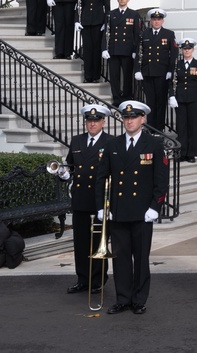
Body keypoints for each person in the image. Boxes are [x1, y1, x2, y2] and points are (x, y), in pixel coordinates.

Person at [96, 100, 168, 315]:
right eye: (126, 118)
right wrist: (102, 206)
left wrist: (156, 206)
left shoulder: (154, 144)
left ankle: (139, 299)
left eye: (134, 117)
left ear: (142, 119)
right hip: (118, 211)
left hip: (142, 212)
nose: (129, 121)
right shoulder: (113, 145)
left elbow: (161, 180)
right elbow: (102, 178)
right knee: (121, 258)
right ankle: (123, 298)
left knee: (141, 258)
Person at [58, 104, 114, 296]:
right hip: (81, 199)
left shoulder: (111, 142)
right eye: (89, 121)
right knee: (80, 242)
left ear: (103, 122)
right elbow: (70, 166)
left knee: (99, 241)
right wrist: (64, 174)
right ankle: (82, 279)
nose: (92, 124)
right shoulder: (77, 141)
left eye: (96, 120)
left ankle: (98, 280)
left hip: (98, 201)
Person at [134, 8, 177, 133]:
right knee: (150, 101)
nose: (156, 22)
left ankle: (160, 128)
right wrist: (137, 70)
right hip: (148, 72)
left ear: (162, 21)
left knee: (160, 102)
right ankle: (151, 127)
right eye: (154, 19)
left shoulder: (169, 34)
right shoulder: (144, 34)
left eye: (159, 19)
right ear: (151, 21)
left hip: (162, 73)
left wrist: (170, 71)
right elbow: (139, 53)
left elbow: (173, 54)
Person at [169, 39, 197, 162]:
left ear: (193, 50)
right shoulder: (176, 64)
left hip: (194, 100)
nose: (187, 51)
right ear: (181, 50)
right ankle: (182, 153)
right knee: (181, 127)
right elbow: (171, 82)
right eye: (184, 49)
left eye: (189, 48)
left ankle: (191, 153)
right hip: (179, 99)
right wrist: (171, 96)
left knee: (193, 127)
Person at [102, 0, 142, 105]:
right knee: (114, 76)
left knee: (127, 76)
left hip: (127, 50)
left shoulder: (134, 14)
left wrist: (135, 50)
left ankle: (127, 97)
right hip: (114, 49)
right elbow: (106, 32)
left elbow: (137, 34)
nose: (122, 0)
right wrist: (104, 48)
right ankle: (116, 98)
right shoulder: (111, 14)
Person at [77, 0, 110, 83]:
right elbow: (79, 5)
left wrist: (105, 23)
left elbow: (107, 7)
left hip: (98, 22)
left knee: (96, 50)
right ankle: (88, 76)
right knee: (87, 49)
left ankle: (96, 76)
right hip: (86, 22)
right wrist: (77, 20)